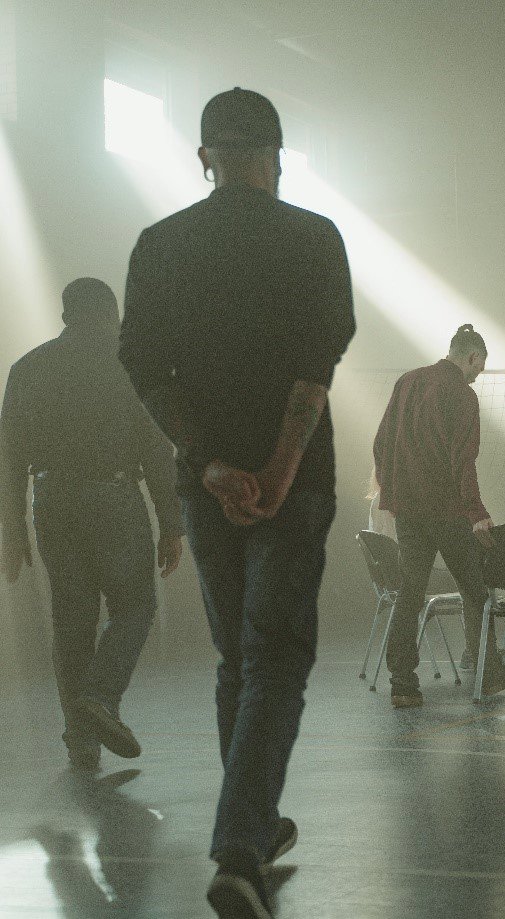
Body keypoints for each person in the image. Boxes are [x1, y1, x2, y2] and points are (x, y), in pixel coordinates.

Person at [119, 88, 355, 917]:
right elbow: (313, 368)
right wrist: (283, 470)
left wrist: (211, 463)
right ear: (277, 156)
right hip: (294, 488)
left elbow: (147, 371)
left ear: (204, 157)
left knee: (238, 662)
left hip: (206, 487)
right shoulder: (314, 237)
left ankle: (249, 820)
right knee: (275, 662)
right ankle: (241, 847)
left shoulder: (159, 245)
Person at [0, 278, 182, 772]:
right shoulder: (129, 366)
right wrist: (171, 522)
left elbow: (10, 456)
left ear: (65, 316)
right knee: (136, 606)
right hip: (114, 497)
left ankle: (81, 742)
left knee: (71, 622)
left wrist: (12, 526)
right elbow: (156, 446)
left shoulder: (27, 368)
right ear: (111, 315)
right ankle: (100, 698)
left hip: (52, 501)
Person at [372, 323, 505, 707]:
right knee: (476, 590)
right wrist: (477, 513)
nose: (478, 376)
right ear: (471, 357)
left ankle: (402, 683)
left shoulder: (406, 382)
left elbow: (380, 441)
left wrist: (389, 491)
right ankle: (487, 673)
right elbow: (462, 461)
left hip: (407, 509)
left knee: (410, 593)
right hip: (446, 510)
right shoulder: (463, 396)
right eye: (479, 368)